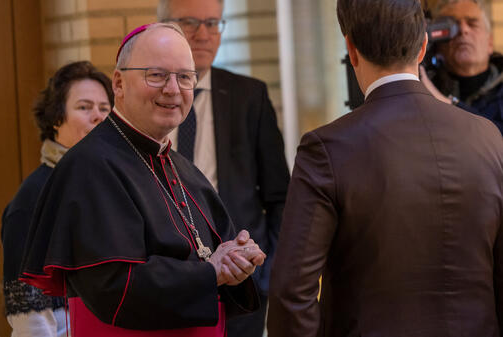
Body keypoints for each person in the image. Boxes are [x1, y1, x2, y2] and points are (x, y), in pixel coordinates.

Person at [267, 0, 503, 336]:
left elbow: (292, 292)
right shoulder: (488, 137)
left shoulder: (327, 148)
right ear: (423, 46)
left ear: (351, 49)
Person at [19, 23, 266, 337]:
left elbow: (212, 260)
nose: (173, 89)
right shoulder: (89, 165)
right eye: (157, 75)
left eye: (185, 77)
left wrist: (235, 260)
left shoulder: (182, 168)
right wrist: (210, 272)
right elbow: (114, 286)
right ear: (119, 83)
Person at [157, 1, 290, 336]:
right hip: (166, 278)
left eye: (213, 23)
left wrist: (267, 274)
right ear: (164, 28)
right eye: (189, 22)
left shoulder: (250, 96)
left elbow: (280, 197)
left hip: (242, 282)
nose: (203, 34)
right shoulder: (151, 97)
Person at [1, 60, 113, 337]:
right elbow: (30, 318)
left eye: (104, 108)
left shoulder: (109, 185)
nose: (98, 116)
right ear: (55, 118)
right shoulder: (33, 198)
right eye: (84, 107)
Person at [420, 0, 503, 135]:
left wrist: (446, 104)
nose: (463, 30)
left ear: (490, 43)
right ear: (437, 43)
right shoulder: (424, 88)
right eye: (452, 26)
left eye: (472, 23)